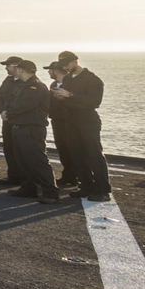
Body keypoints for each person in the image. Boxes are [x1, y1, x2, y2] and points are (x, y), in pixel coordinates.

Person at [53, 51, 111, 202]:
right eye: (62, 65)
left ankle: (103, 190)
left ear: (76, 61)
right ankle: (86, 186)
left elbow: (94, 102)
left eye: (67, 63)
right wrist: (60, 97)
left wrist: (70, 96)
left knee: (94, 154)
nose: (64, 67)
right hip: (71, 120)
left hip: (87, 120)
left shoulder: (92, 79)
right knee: (77, 154)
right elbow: (67, 98)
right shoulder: (67, 79)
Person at [5, 59, 60, 203]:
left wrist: (8, 113)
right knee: (23, 160)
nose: (15, 70)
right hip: (20, 126)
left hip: (32, 128)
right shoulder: (23, 86)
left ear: (22, 70)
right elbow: (11, 101)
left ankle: (50, 192)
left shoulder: (37, 87)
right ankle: (28, 188)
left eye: (17, 68)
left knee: (37, 160)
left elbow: (24, 105)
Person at [46, 61, 79, 188]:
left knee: (73, 148)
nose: (49, 72)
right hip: (57, 120)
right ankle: (68, 175)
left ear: (56, 70)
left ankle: (76, 176)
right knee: (62, 148)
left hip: (69, 120)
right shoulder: (53, 84)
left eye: (50, 70)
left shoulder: (70, 83)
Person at [0, 56, 24, 185]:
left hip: (18, 121)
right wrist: (2, 112)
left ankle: (24, 177)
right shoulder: (8, 80)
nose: (6, 68)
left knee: (21, 149)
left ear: (16, 66)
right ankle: (13, 175)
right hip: (6, 119)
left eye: (8, 65)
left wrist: (10, 113)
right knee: (9, 148)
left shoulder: (25, 82)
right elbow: (0, 97)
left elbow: (23, 103)